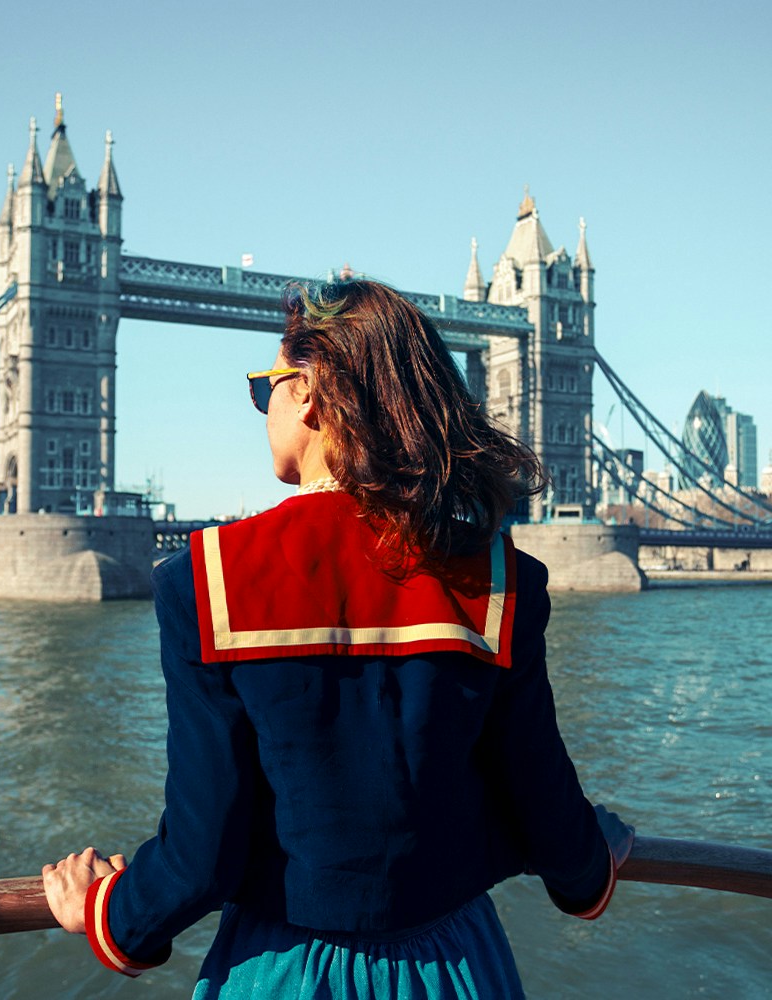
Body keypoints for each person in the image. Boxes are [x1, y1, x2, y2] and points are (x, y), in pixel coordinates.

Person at [42, 278, 633, 998]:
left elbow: (202, 858)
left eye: (267, 390)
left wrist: (107, 912)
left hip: (285, 968)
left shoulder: (205, 580)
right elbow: (545, 806)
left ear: (312, 393)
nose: (263, 411)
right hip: (456, 969)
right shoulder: (503, 581)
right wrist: (593, 866)